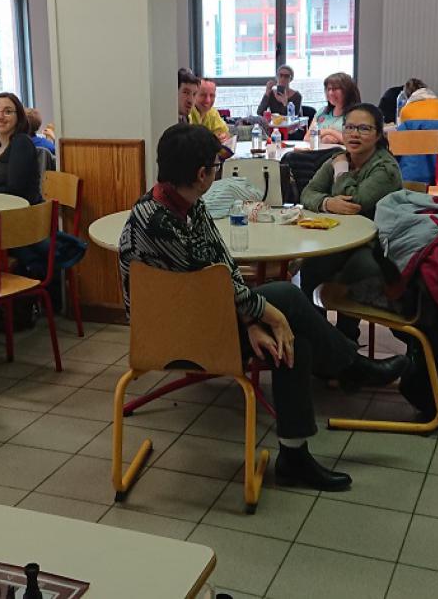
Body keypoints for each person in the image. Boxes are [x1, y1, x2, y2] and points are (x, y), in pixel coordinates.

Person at [118, 124, 407, 490]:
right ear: (202, 174)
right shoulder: (158, 221)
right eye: (215, 166)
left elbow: (220, 269)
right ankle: (349, 369)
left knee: (293, 336)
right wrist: (266, 316)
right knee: (285, 301)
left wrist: (253, 320)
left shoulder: (184, 204)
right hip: (173, 337)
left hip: (202, 315)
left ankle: (296, 452)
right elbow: (212, 285)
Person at [299, 104, 405, 341]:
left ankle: (347, 338)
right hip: (337, 238)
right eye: (349, 128)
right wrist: (327, 203)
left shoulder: (385, 168)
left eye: (364, 129)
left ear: (378, 135)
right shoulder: (339, 158)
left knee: (359, 268)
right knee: (311, 267)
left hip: (375, 244)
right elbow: (307, 193)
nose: (354, 134)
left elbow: (354, 202)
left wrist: (341, 170)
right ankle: (318, 340)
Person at [312, 72, 362, 144]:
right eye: (328, 89)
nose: (330, 93)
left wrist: (330, 132)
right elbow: (308, 137)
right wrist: (323, 136)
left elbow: (353, 140)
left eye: (335, 89)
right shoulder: (322, 111)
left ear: (347, 91)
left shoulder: (357, 114)